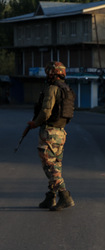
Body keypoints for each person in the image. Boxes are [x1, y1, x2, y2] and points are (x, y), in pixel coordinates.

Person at [26, 61, 75, 211]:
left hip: (50, 132)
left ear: (52, 73)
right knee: (56, 165)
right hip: (61, 132)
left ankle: (64, 196)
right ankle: (51, 197)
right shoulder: (67, 89)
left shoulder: (53, 88)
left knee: (49, 166)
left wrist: (34, 123)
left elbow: (46, 111)